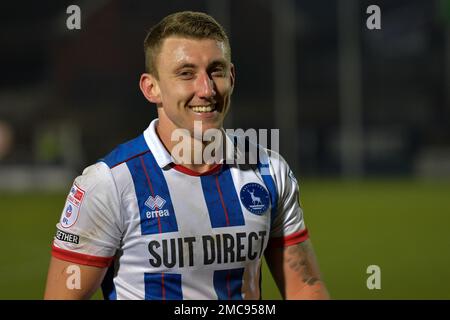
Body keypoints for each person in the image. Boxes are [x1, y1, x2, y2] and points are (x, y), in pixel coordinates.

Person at [44, 11, 329, 300]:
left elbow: (305, 286)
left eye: (216, 71)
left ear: (231, 77)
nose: (206, 90)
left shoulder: (269, 171)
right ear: (151, 88)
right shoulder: (110, 183)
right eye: (186, 73)